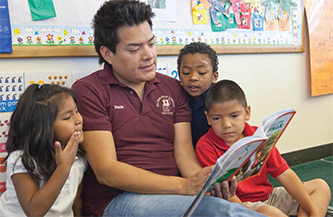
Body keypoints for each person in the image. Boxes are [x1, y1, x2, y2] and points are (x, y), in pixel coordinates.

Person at [71, 1, 266, 216]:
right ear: (107, 54)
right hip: (118, 199)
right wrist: (183, 186)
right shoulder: (89, 90)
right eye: (134, 48)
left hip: (175, 195)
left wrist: (204, 183)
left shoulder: (172, 87)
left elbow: (183, 153)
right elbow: (106, 171)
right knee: (222, 213)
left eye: (151, 44)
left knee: (227, 207)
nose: (148, 55)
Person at [196, 79, 331, 217]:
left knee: (321, 186)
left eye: (234, 116)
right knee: (272, 213)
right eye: (217, 118)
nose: (226, 124)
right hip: (243, 205)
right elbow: (226, 194)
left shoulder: (259, 136)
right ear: (208, 118)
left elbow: (284, 173)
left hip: (270, 196)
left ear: (247, 112)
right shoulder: (206, 146)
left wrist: (313, 211)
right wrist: (247, 213)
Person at [0, 84, 87, 216]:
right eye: (67, 117)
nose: (79, 120)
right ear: (42, 128)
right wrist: (63, 167)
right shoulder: (22, 160)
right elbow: (34, 211)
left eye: (77, 111)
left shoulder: (77, 157)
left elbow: (76, 200)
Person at [177, 42, 219, 147]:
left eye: (201, 72)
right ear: (179, 74)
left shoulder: (220, 98)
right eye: (186, 72)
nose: (193, 77)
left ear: (214, 76)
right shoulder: (176, 97)